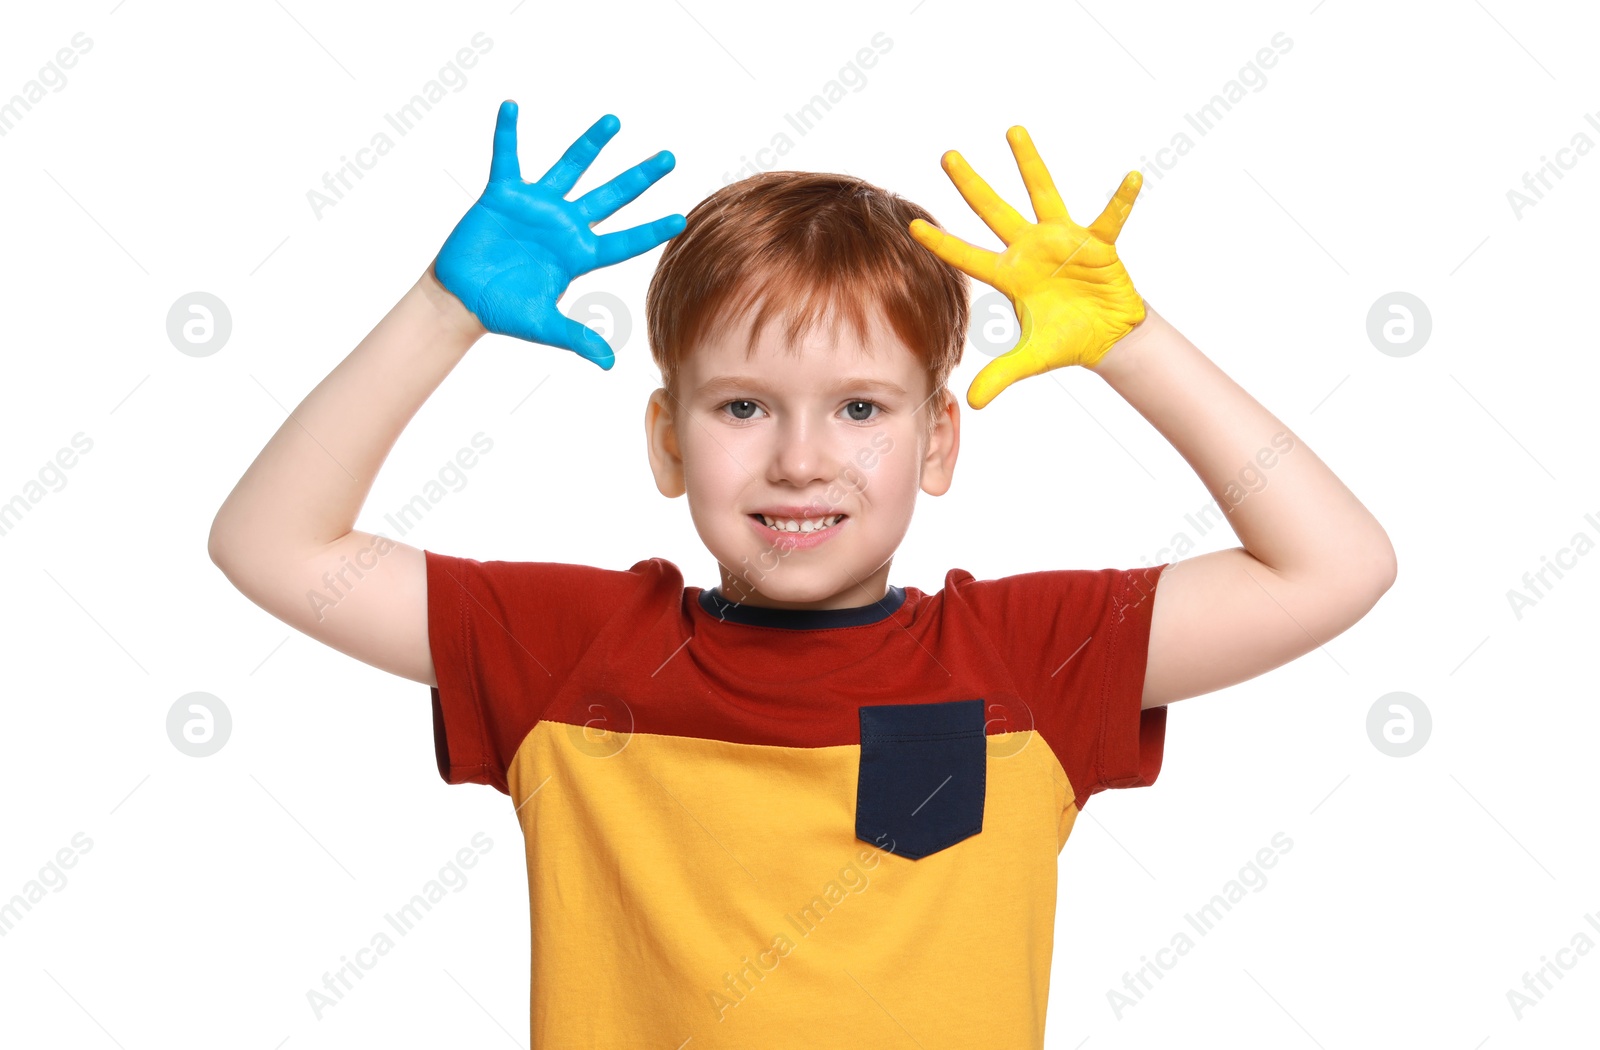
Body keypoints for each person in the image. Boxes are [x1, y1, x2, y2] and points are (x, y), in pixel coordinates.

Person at [208, 100, 1396, 1047]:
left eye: (861, 408)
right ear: (668, 441)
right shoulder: (571, 649)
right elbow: (274, 547)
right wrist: (441, 312)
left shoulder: (1031, 658)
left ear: (937, 441)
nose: (799, 458)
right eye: (741, 406)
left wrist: (1130, 343)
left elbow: (1332, 565)